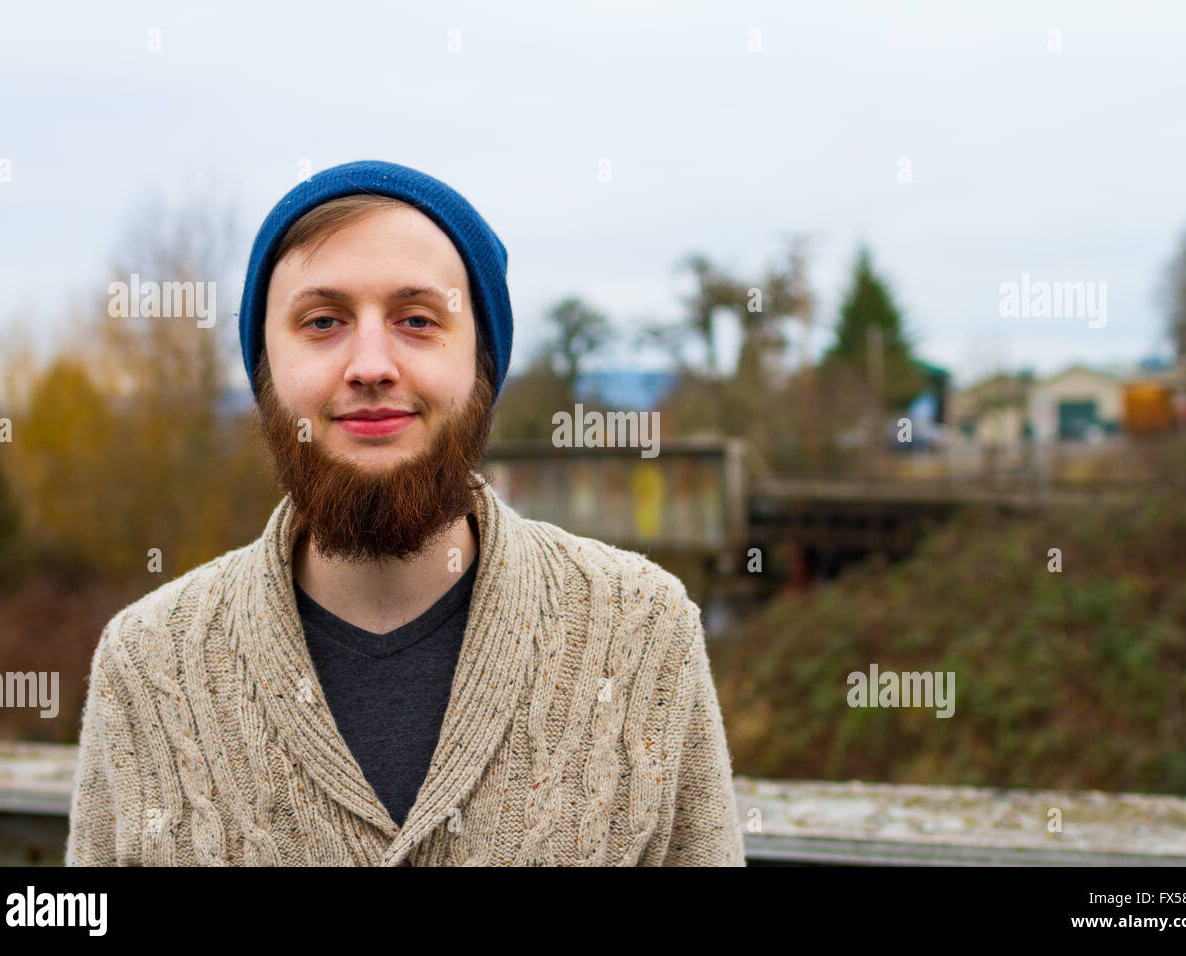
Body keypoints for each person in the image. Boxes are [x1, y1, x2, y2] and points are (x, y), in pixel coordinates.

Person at [65, 160, 745, 866]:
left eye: (418, 320)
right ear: (263, 371)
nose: (370, 365)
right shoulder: (147, 666)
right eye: (322, 321)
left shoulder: (641, 635)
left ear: (484, 363)